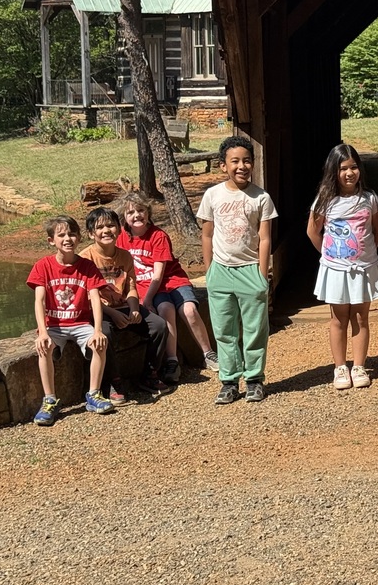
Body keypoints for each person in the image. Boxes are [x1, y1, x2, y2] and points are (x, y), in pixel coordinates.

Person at [198, 135, 279, 404]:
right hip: (221, 270)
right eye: (235, 161)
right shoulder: (213, 195)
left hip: (249, 271)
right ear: (223, 166)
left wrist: (262, 270)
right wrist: (210, 270)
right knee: (224, 330)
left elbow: (264, 236)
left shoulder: (261, 198)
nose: (241, 166)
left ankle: (254, 379)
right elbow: (207, 234)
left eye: (247, 161)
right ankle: (229, 381)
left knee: (255, 329)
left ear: (253, 164)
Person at [113, 191, 218, 382]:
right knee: (165, 308)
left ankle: (208, 353)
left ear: (148, 213)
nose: (137, 215)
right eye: (131, 213)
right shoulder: (121, 237)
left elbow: (159, 274)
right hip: (146, 284)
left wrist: (147, 299)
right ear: (124, 218)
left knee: (189, 310)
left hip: (171, 280)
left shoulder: (158, 236)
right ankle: (172, 361)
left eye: (141, 210)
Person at [307, 143, 378, 389]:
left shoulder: (369, 199)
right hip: (336, 269)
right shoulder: (325, 200)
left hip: (363, 267)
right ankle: (340, 367)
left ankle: (359, 365)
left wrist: (364, 253)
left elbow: (377, 231)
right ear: (334, 171)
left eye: (353, 167)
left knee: (361, 317)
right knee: (339, 318)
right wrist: (330, 256)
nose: (349, 173)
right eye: (343, 168)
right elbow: (313, 231)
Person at [26, 215, 113, 426]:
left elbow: (95, 299)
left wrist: (98, 329)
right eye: (61, 235)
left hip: (81, 324)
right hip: (54, 326)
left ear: (79, 238)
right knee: (44, 348)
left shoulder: (87, 267)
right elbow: (39, 301)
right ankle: (49, 400)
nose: (67, 239)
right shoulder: (43, 266)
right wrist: (43, 332)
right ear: (51, 241)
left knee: (100, 343)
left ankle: (93, 394)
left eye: (72, 234)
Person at [80, 207, 169, 402]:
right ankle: (113, 381)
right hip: (100, 310)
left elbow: (131, 287)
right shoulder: (85, 258)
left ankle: (149, 373)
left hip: (125, 306)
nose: (106, 231)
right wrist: (112, 313)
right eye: (100, 227)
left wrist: (136, 309)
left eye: (111, 225)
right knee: (105, 334)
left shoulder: (125, 256)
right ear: (90, 233)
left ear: (119, 229)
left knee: (159, 326)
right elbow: (87, 297)